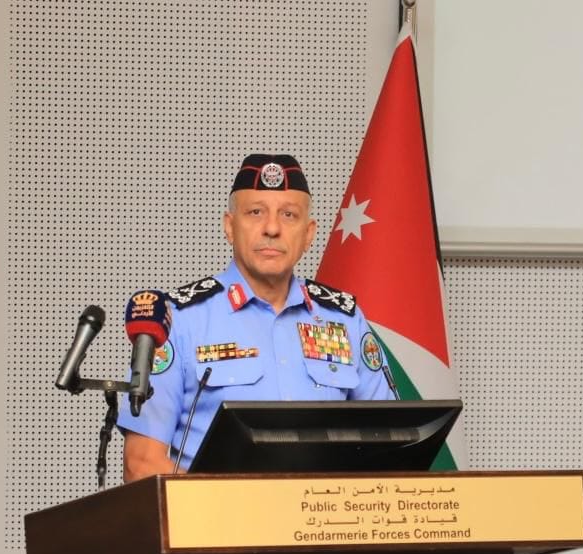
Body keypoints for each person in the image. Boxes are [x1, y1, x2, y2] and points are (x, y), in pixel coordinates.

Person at [117, 154, 393, 481]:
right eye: (255, 212)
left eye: (288, 215)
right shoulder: (177, 320)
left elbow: (390, 446)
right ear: (229, 227)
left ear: (308, 234)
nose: (272, 228)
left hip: (322, 511)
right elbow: (141, 464)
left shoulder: (345, 320)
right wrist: (246, 503)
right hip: (217, 513)